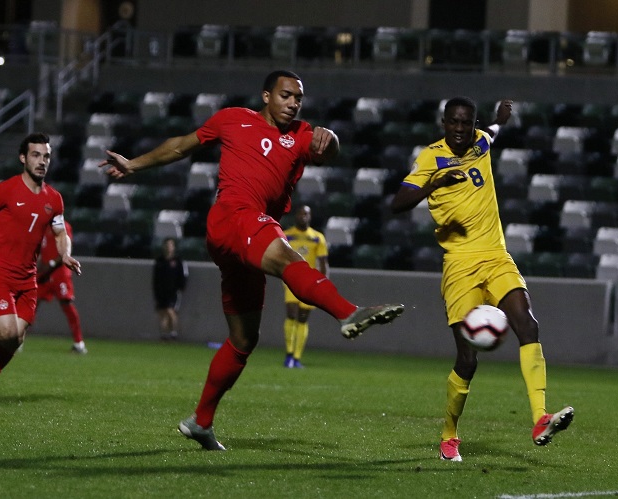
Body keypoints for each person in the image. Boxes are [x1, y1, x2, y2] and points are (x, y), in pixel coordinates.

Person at [99, 69, 404, 451]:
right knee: (286, 255)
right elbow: (182, 145)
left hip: (243, 238)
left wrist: (333, 138)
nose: (293, 103)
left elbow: (328, 148)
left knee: (244, 340)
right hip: (233, 217)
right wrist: (134, 164)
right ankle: (347, 312)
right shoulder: (232, 119)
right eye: (286, 95)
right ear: (266, 96)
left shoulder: (300, 134)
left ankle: (200, 422)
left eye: (298, 98)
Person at [390, 97, 573, 462]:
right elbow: (398, 202)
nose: (460, 129)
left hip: (496, 255)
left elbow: (492, 132)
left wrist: (499, 119)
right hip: (459, 265)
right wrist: (435, 183)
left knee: (528, 324)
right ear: (443, 122)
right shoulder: (431, 157)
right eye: (454, 123)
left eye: (466, 123)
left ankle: (540, 417)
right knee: (467, 360)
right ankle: (449, 435)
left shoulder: (480, 141)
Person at [0, 132, 81, 407]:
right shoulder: (7, 189)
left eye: (46, 156)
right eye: (36, 155)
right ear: (23, 158)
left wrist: (65, 254)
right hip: (1, 273)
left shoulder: (54, 199)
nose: (42, 161)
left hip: (28, 279)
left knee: (14, 339)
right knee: (8, 333)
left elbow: (59, 233)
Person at [282, 205, 329, 368]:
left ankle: (296, 357)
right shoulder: (287, 236)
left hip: (309, 282)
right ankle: (288, 354)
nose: (303, 216)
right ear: (296, 216)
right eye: (301, 214)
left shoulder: (318, 238)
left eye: (306, 214)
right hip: (292, 279)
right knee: (291, 314)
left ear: (310, 217)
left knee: (302, 318)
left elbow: (323, 263)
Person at [36, 219, 87, 354]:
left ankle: (79, 343)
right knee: (31, 304)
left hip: (60, 272)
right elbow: (42, 251)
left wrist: (51, 264)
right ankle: (17, 339)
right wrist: (38, 266)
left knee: (66, 304)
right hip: (45, 273)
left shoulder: (63, 226)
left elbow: (66, 251)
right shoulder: (42, 226)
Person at [153, 237, 188, 341]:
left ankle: (174, 333)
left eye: (170, 245)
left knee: (170, 311)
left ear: (174, 247)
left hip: (173, 291)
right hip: (161, 292)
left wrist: (181, 287)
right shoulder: (159, 261)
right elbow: (155, 278)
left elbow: (183, 276)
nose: (168, 247)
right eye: (166, 245)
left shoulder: (178, 261)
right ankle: (164, 335)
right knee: (162, 313)